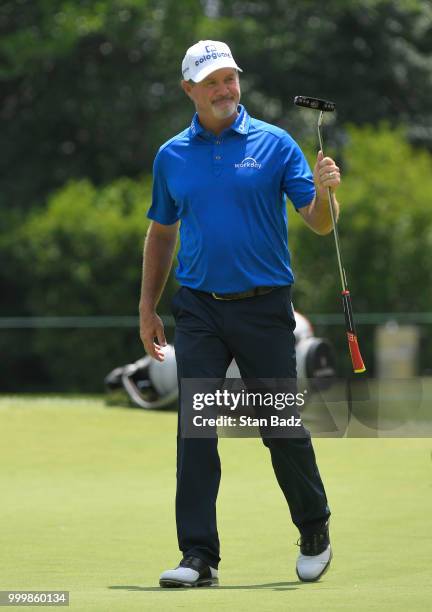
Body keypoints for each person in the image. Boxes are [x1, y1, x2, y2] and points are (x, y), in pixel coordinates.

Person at [139, 40, 341, 588]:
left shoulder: (275, 144)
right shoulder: (172, 155)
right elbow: (161, 232)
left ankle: (314, 526)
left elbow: (319, 223)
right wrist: (147, 307)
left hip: (265, 307)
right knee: (196, 434)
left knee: (278, 426)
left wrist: (326, 194)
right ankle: (198, 557)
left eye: (230, 78)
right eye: (212, 82)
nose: (225, 89)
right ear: (190, 90)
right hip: (199, 309)